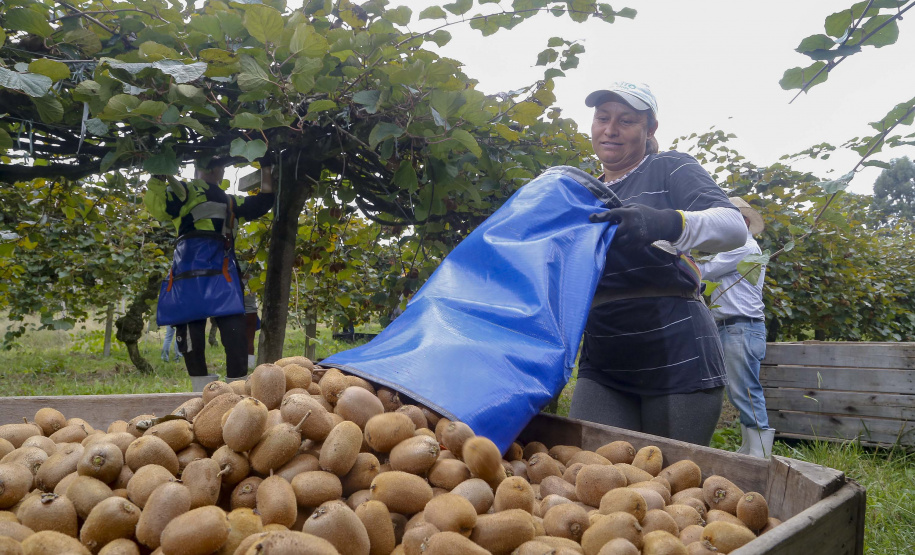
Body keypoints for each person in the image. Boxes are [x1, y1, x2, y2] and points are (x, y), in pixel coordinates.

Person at [568, 82, 747, 446]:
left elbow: (733, 227)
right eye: (603, 118)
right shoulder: (581, 193)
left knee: (672, 483)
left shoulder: (668, 167)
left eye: (627, 120)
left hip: (675, 352)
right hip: (605, 357)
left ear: (650, 129)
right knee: (589, 472)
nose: (610, 129)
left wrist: (666, 222)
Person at [145, 159, 275, 391]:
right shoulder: (185, 191)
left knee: (230, 334)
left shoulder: (229, 201)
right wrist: (158, 174)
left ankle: (233, 393)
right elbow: (264, 200)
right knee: (215, 336)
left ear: (220, 169)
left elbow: (264, 201)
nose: (213, 168)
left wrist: (158, 173)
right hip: (210, 277)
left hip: (201, 276)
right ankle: (206, 394)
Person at [697, 197, 774, 457]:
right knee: (738, 390)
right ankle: (750, 447)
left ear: (744, 223)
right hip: (734, 327)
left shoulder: (744, 247)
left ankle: (761, 455)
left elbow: (707, 270)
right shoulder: (735, 249)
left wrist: (680, 258)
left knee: (746, 391)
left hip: (741, 326)